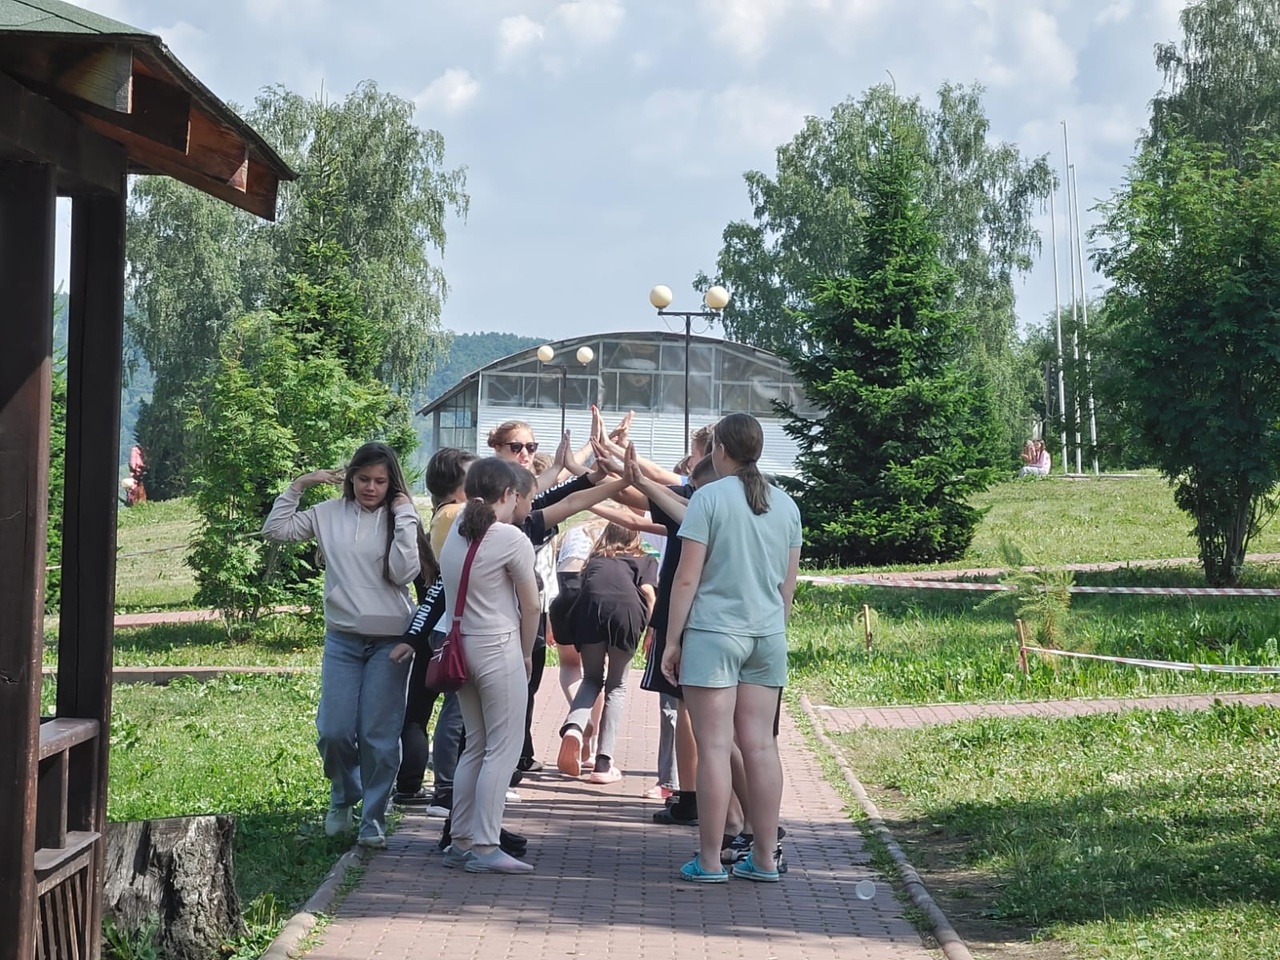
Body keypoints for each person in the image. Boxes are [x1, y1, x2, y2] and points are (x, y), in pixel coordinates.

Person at [662, 414, 802, 883]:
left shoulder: (708, 499)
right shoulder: (786, 505)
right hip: (768, 636)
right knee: (760, 746)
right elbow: (787, 586)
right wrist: (773, 628)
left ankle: (708, 860)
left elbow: (686, 578)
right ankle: (764, 858)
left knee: (716, 747)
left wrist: (672, 640)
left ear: (719, 450)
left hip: (714, 633)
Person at [262, 442, 422, 849]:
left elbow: (405, 572)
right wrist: (299, 485)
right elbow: (275, 531)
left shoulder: (400, 516)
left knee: (377, 735)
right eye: (363, 479)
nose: (371, 488)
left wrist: (405, 515)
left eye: (380, 481)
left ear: (392, 483)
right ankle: (344, 794)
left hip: (390, 641)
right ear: (350, 478)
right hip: (343, 637)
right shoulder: (328, 514)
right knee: (333, 731)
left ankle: (373, 818)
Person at [436, 457, 540, 874]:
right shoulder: (511, 538)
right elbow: (531, 605)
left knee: (475, 745)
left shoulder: (457, 530)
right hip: (498, 646)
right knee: (502, 747)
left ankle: (461, 839)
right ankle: (486, 845)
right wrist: (527, 652)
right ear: (510, 494)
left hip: (459, 644)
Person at [394, 448, 476, 807]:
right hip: (446, 626)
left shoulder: (436, 518)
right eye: (474, 478)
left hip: (428, 623)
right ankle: (447, 789)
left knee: (419, 707)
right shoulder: (458, 515)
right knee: (457, 710)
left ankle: (410, 783)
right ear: (457, 486)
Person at [555, 522, 657, 783]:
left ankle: (574, 727)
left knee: (591, 679)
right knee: (616, 687)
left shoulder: (595, 559)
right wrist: (651, 631)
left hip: (589, 613)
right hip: (626, 615)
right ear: (634, 536)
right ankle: (603, 764)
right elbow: (648, 594)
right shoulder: (644, 560)